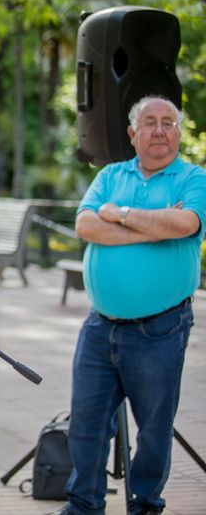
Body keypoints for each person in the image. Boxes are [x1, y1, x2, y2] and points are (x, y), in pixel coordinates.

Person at [48, 96, 206, 515]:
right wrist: (154, 228)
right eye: (149, 123)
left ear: (177, 132)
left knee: (153, 430)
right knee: (86, 425)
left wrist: (120, 214)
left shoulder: (193, 177)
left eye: (168, 123)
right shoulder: (109, 174)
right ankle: (84, 505)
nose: (159, 130)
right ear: (132, 134)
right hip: (100, 325)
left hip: (160, 330)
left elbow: (185, 223)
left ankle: (146, 505)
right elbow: (85, 224)